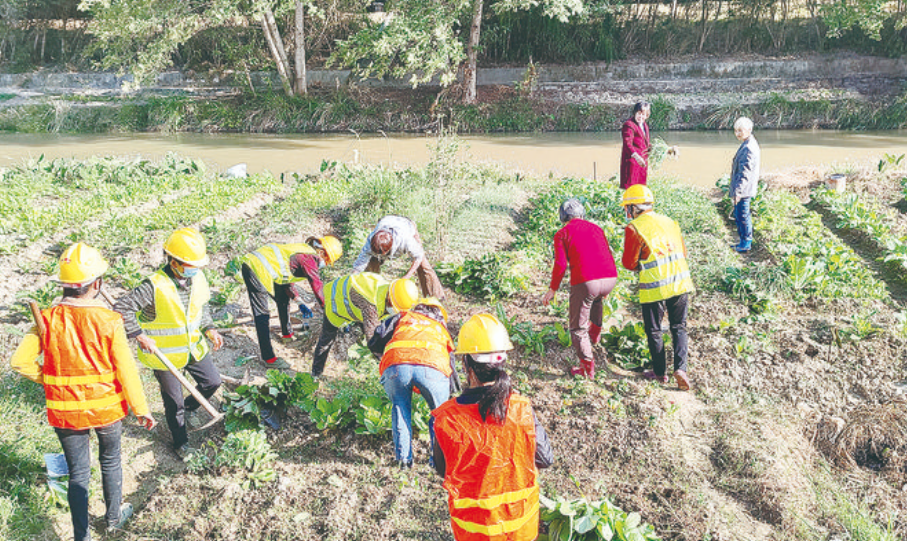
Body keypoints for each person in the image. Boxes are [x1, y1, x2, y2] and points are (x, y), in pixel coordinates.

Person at [10, 242, 155, 541]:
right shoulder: (110, 321)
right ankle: (113, 520)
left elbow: (19, 362)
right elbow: (127, 371)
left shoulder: (46, 319)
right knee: (111, 460)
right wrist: (142, 410)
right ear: (97, 284)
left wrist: (51, 379)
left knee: (78, 473)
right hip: (108, 409)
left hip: (65, 412)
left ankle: (81, 536)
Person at [432, 313, 553, 541]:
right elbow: (545, 459)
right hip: (520, 528)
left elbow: (443, 470)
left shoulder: (445, 418)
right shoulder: (521, 407)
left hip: (473, 531)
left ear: (466, 363)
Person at [114, 228, 223, 460]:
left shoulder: (198, 278)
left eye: (197, 264)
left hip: (193, 348)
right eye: (189, 264)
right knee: (174, 403)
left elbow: (200, 307)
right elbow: (122, 308)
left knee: (212, 382)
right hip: (164, 354)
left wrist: (209, 328)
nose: (195, 269)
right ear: (173, 261)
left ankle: (191, 408)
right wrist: (139, 335)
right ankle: (180, 443)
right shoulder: (153, 286)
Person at [367, 298, 458, 468]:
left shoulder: (403, 317)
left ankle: (404, 461)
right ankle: (437, 463)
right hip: (432, 368)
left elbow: (377, 337)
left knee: (400, 409)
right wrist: (451, 391)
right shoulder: (441, 328)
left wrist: (381, 354)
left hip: (397, 366)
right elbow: (450, 362)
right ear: (440, 315)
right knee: (439, 414)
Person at [620, 185, 694, 391]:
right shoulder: (671, 222)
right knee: (679, 327)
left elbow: (628, 262)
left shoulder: (634, 228)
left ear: (634, 208)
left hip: (655, 287)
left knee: (654, 329)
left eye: (627, 208)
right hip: (680, 282)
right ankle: (681, 369)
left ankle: (660, 373)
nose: (627, 213)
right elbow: (683, 252)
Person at [541, 198, 618, 379]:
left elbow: (560, 264)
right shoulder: (597, 228)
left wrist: (553, 289)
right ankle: (595, 335)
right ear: (582, 214)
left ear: (563, 217)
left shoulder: (562, 233)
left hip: (586, 281)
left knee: (577, 328)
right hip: (610, 278)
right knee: (597, 299)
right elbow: (606, 252)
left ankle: (586, 368)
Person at [240, 235, 342, 370]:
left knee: (283, 298)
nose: (326, 265)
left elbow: (286, 280)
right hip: (255, 267)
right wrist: (332, 311)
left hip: (260, 265)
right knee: (262, 315)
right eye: (328, 261)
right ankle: (269, 358)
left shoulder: (302, 251)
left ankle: (287, 334)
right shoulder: (309, 258)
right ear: (322, 252)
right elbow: (317, 286)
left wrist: (299, 301)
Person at [311, 273, 419, 377]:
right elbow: (372, 339)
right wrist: (386, 360)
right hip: (334, 300)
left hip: (353, 301)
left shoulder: (383, 288)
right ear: (390, 298)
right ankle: (316, 373)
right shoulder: (370, 305)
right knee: (326, 340)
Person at [352, 215, 444, 298]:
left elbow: (418, 257)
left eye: (382, 254)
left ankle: (435, 298)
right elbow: (359, 266)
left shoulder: (406, 240)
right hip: (387, 221)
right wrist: (350, 281)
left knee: (423, 265)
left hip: (407, 225)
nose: (379, 256)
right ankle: (371, 295)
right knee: (371, 263)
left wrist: (407, 276)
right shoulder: (370, 242)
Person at [730, 116, 760, 253]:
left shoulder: (749, 148)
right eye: (736, 131)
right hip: (744, 189)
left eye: (740, 131)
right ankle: (743, 241)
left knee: (743, 216)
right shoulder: (748, 143)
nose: (738, 134)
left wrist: (738, 193)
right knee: (740, 215)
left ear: (749, 130)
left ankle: (746, 243)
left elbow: (745, 174)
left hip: (744, 190)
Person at [620, 101, 651, 190]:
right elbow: (627, 144)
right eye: (639, 114)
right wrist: (637, 157)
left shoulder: (645, 125)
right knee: (630, 188)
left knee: (640, 189)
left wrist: (667, 150)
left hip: (642, 163)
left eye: (643, 114)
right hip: (632, 162)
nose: (641, 117)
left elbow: (646, 144)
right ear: (635, 113)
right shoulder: (629, 125)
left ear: (647, 116)